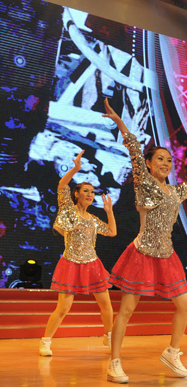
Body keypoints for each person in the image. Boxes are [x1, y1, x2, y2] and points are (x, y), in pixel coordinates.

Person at [102, 98, 187, 384]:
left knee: (185, 304)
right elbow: (134, 149)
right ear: (149, 164)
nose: (165, 163)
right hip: (142, 252)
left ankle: (172, 352)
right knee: (127, 310)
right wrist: (119, 122)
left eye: (168, 160)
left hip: (166, 255)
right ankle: (114, 362)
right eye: (160, 159)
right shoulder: (144, 182)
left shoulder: (174, 191)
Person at [40, 150, 117, 356]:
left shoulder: (93, 219)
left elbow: (112, 232)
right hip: (71, 262)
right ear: (76, 194)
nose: (90, 194)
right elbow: (61, 185)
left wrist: (109, 212)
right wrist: (75, 168)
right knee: (63, 308)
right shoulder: (68, 209)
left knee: (106, 305)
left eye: (92, 192)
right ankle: (45, 342)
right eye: (86, 191)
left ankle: (109, 336)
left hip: (92, 263)